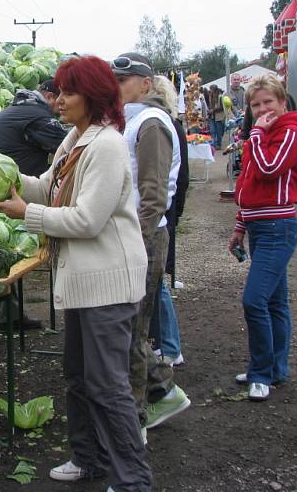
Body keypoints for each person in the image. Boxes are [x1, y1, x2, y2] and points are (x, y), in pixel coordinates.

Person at [0, 55, 151, 492]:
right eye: (57, 91)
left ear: (93, 97)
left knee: (108, 385)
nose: (58, 100)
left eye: (69, 92)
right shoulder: (76, 140)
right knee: (79, 378)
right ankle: (89, 459)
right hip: (81, 283)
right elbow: (47, 186)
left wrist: (27, 213)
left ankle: (133, 480)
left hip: (107, 284)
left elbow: (86, 220)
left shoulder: (107, 146)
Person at [111, 52, 190, 440]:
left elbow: (154, 194)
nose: (118, 86)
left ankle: (136, 418)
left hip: (144, 236)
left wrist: (136, 244)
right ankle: (164, 390)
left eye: (125, 80)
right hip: (133, 234)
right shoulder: (132, 119)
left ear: (145, 83)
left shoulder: (152, 122)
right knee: (129, 326)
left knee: (132, 330)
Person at [228, 74, 297, 401]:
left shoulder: (290, 132)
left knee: (254, 300)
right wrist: (240, 226)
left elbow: (269, 168)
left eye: (268, 103)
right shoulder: (265, 134)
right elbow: (248, 185)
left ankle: (262, 371)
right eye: (255, 104)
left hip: (278, 228)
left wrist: (257, 134)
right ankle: (276, 368)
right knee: (275, 301)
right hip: (261, 226)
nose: (262, 110)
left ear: (282, 101)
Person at [0, 78, 68, 329]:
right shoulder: (38, 116)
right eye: (61, 98)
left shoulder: (17, 110)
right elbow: (68, 146)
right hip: (5, 195)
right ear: (50, 97)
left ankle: (11, 318)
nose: (62, 105)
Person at [149, 76, 189, 367]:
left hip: (160, 217)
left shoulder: (159, 126)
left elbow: (175, 178)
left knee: (157, 285)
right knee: (157, 283)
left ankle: (170, 347)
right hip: (166, 213)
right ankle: (167, 345)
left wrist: (173, 213)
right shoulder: (166, 123)